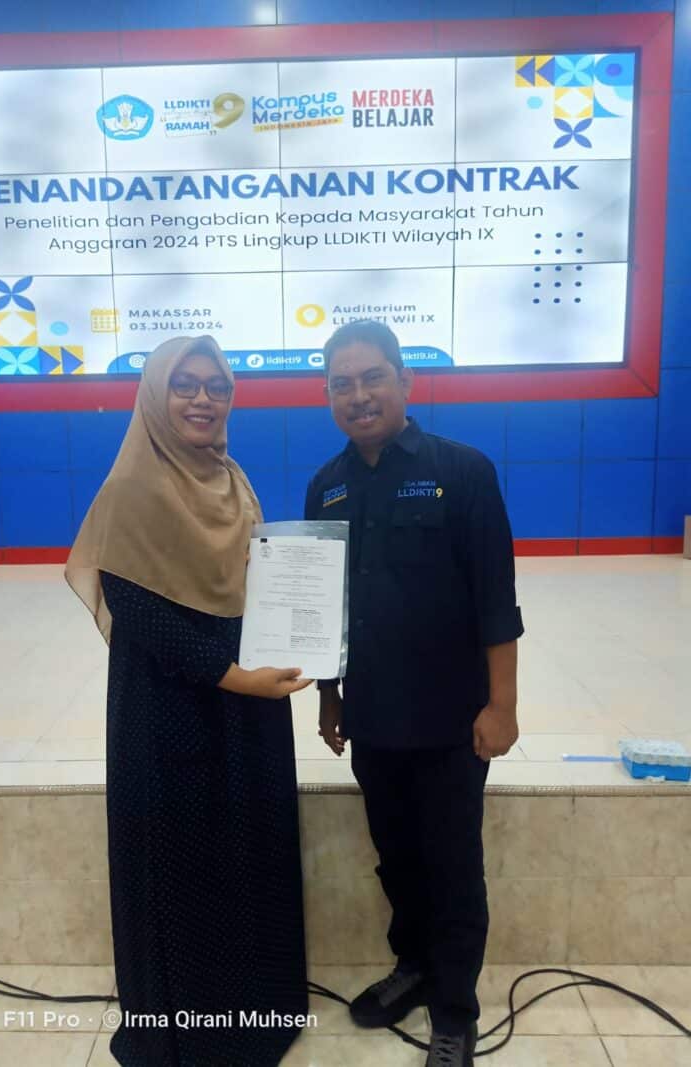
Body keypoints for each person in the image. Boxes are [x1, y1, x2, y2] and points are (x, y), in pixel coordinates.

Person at [66, 336, 310, 1067]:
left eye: (217, 386)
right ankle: (190, 1035)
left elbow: (260, 585)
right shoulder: (131, 489)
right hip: (168, 712)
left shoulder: (233, 481)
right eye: (185, 384)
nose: (204, 399)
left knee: (248, 853)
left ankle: (255, 1016)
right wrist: (234, 676)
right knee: (183, 866)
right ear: (155, 395)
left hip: (246, 708)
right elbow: (140, 611)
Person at [304, 320, 524, 1067]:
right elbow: (325, 609)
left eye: (373, 377)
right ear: (328, 395)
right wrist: (329, 697)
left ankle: (455, 1011)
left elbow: (495, 598)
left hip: (452, 719)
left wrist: (502, 705)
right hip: (373, 716)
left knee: (453, 868)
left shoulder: (462, 471)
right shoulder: (326, 487)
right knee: (395, 857)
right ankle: (414, 967)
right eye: (342, 384)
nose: (358, 395)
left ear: (404, 381)